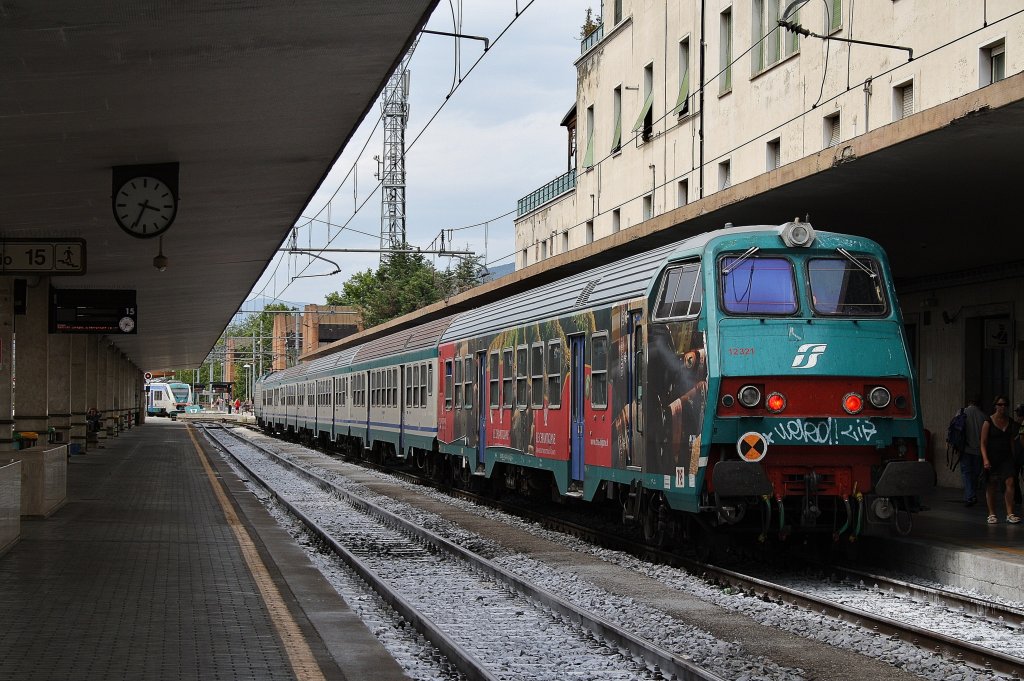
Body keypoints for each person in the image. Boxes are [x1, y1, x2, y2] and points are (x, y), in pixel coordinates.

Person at [980, 396, 1020, 524]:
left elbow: (1011, 441)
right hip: (992, 457)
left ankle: (1010, 513)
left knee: (1010, 482)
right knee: (992, 484)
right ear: (995, 405)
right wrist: (985, 459)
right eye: (1000, 404)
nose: (1003, 407)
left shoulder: (1010, 421)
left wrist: (1014, 458)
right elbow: (983, 443)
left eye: (1005, 405)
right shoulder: (988, 422)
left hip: (1006, 457)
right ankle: (992, 514)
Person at [960, 396, 987, 506]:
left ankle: (970, 496)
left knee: (966, 473)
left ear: (969, 402)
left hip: (965, 449)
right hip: (978, 450)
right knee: (975, 473)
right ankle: (972, 493)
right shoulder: (984, 416)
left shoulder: (962, 412)